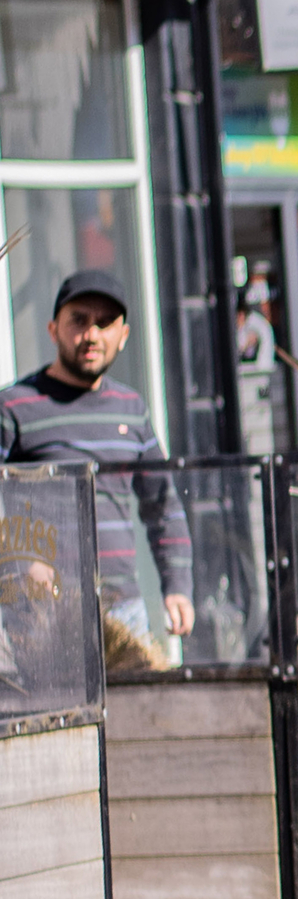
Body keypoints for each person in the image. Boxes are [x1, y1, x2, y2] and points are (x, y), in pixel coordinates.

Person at [0, 272, 193, 642]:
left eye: (105, 323)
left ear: (123, 336)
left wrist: (178, 586)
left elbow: (164, 506)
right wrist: (24, 562)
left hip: (124, 612)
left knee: (138, 702)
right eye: (79, 320)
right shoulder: (14, 407)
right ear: (53, 328)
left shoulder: (131, 409)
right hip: (41, 614)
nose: (91, 335)